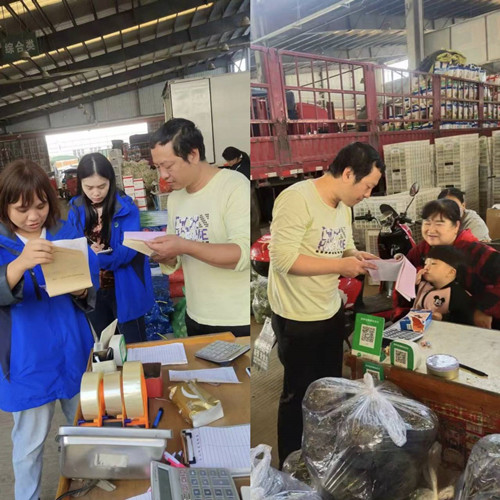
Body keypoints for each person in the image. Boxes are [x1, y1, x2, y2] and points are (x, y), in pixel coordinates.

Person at [268, 141, 384, 465]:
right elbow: (283, 259)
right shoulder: (296, 199)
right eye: (367, 186)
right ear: (347, 174)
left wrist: (356, 256)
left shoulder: (343, 207)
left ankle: (323, 459)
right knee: (298, 396)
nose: (368, 194)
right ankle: (290, 464)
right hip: (297, 317)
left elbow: (343, 247)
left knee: (331, 390)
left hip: (330, 309)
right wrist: (339, 266)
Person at [0, 159, 96, 500]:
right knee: (29, 445)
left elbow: (90, 281)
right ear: (4, 206)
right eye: (22, 209)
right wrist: (19, 265)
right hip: (27, 360)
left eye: (40, 206)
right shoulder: (3, 245)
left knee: (85, 429)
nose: (33, 217)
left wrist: (82, 289)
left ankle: (89, 488)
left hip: (73, 349)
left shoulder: (65, 234)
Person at [146, 118, 250, 337]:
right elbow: (177, 258)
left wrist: (184, 245)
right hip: (196, 316)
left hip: (235, 318)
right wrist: (165, 255)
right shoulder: (175, 199)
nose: (163, 175)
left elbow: (242, 254)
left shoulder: (234, 186)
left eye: (168, 166)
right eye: (157, 167)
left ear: (193, 155)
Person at [67, 152, 155, 343]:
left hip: (125, 287)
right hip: (94, 290)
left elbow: (128, 251)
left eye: (102, 186)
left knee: (134, 346)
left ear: (111, 181)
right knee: (107, 345)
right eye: (89, 187)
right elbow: (72, 249)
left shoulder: (126, 208)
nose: (96, 193)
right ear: (80, 183)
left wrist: (95, 257)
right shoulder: (75, 209)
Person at [407, 198, 500, 330]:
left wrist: (482, 310)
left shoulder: (477, 252)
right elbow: (403, 285)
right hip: (430, 324)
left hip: (478, 328)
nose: (431, 229)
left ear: (456, 226)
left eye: (439, 223)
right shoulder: (420, 250)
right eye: (427, 222)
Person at [413, 245, 474, 325]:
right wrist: (412, 284)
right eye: (425, 263)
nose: (426, 267)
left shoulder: (458, 295)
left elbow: (465, 320)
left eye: (433, 264)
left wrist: (442, 318)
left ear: (451, 272)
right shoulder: (422, 285)